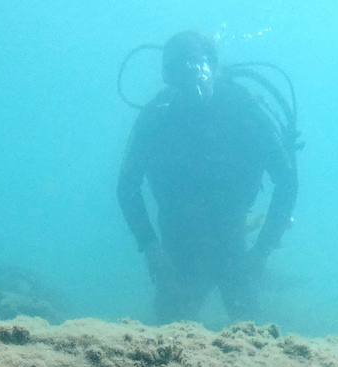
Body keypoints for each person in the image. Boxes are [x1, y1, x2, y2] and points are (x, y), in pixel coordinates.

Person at [118, 31, 298, 323]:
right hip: (177, 245)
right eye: (178, 75)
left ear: (214, 68)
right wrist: (151, 249)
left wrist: (262, 251)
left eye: (195, 71)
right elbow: (126, 186)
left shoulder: (245, 109)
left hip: (232, 239)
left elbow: (287, 181)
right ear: (168, 77)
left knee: (248, 331)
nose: (191, 87)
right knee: (168, 342)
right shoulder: (157, 116)